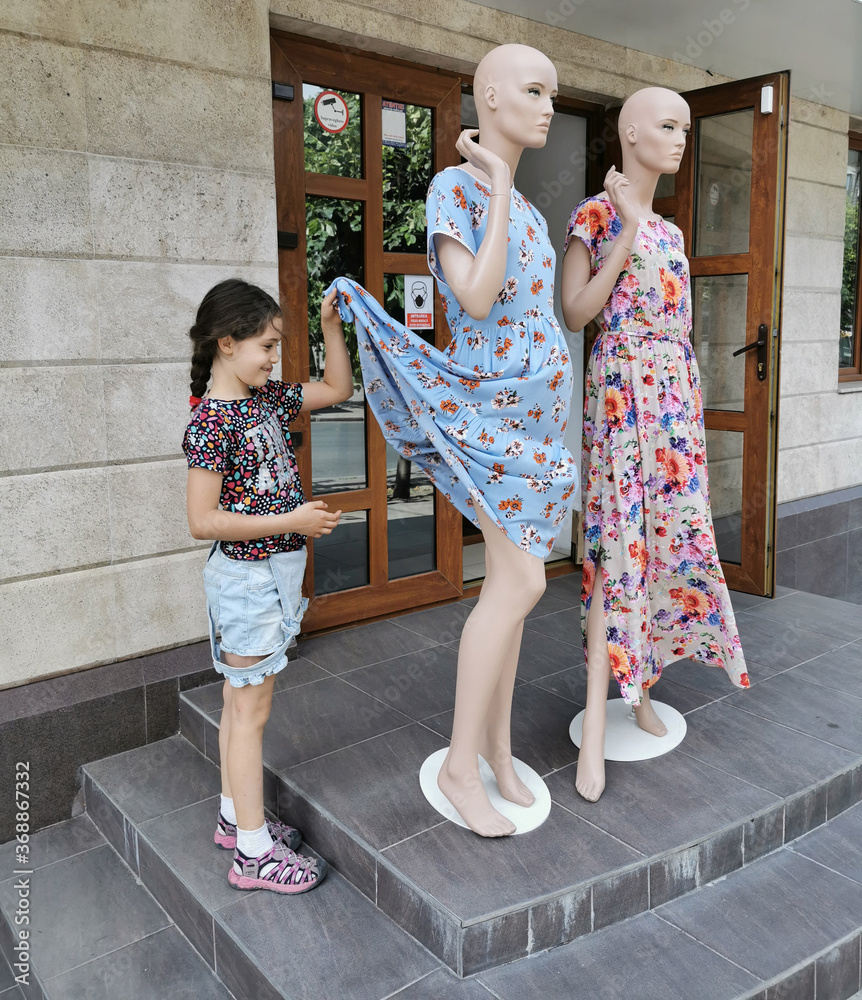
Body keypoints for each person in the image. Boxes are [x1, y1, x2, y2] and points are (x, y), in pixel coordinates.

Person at [329, 44, 578, 837]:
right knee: (521, 585)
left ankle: (499, 755)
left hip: (536, 415)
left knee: (515, 591)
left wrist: (513, 196)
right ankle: (461, 766)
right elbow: (474, 296)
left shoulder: (535, 216)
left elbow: (542, 315)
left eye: (552, 93)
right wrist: (500, 185)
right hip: (490, 412)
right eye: (533, 91)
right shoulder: (455, 189)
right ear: (491, 98)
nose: (545, 106)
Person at [561, 87, 749, 803]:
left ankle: (641, 695)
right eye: (667, 125)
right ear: (630, 133)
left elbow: (681, 329)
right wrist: (627, 234)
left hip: (673, 400)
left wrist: (692, 416)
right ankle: (598, 736)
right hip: (619, 397)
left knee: (668, 545)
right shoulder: (597, 217)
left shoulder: (671, 232)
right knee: (618, 549)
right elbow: (577, 311)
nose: (678, 139)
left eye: (685, 127)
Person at [182, 278, 353, 890]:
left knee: (238, 705)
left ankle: (236, 819)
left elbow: (337, 387)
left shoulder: (266, 400)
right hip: (248, 581)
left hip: (268, 578)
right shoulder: (212, 423)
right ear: (226, 344)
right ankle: (253, 854)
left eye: (276, 347)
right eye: (265, 346)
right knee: (249, 714)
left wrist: (332, 325)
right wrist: (294, 520)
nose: (273, 358)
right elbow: (203, 521)